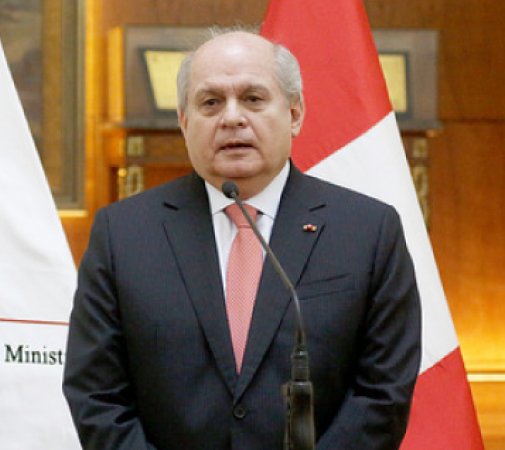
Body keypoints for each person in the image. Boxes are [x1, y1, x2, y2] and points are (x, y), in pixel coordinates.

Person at [63, 28, 421, 450]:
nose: (232, 118)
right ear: (184, 121)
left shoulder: (367, 230)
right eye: (210, 102)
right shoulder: (123, 234)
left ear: (294, 114)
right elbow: (97, 394)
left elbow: (382, 394)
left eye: (253, 98)